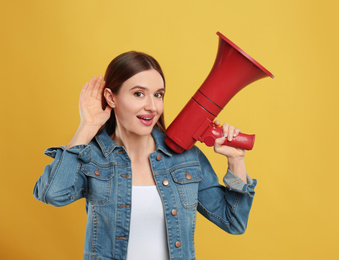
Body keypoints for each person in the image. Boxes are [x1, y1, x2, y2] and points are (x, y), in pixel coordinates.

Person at [33, 51, 257, 260]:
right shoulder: (92, 156)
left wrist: (236, 160)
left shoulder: (187, 158)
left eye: (158, 95)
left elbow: (233, 222)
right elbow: (52, 194)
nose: (152, 106)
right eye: (139, 94)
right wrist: (87, 126)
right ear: (111, 98)